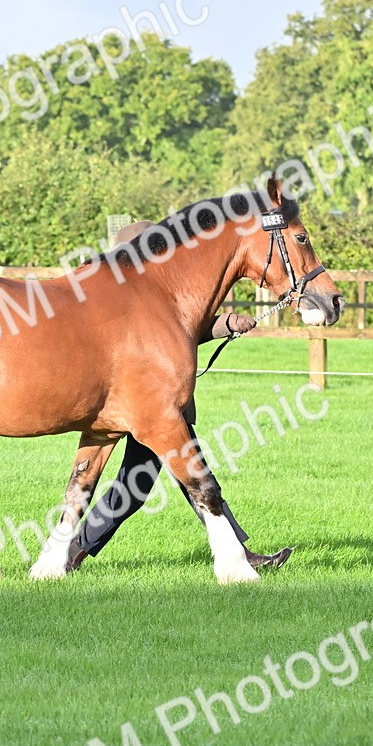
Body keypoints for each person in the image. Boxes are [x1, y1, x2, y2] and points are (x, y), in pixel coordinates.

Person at [66, 221, 294, 573]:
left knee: (178, 483)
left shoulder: (155, 294)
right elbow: (165, 336)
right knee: (155, 484)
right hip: (149, 409)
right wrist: (226, 323)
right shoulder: (129, 300)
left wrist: (227, 323)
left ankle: (238, 553)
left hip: (161, 407)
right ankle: (73, 551)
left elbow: (183, 328)